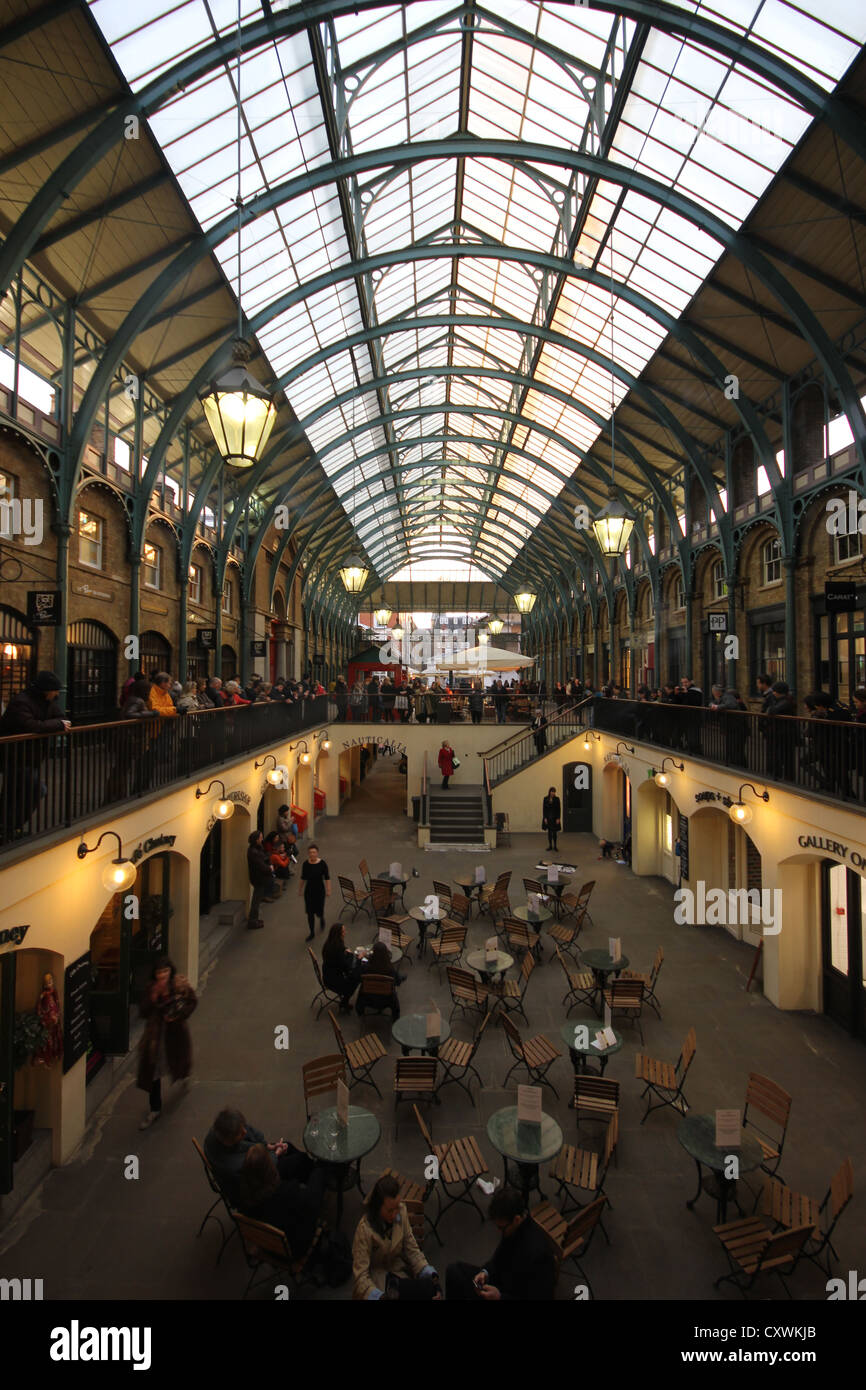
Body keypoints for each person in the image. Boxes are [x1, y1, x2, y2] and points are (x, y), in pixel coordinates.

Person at [445, 1185, 557, 1300]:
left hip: (509, 1294)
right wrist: (485, 1272)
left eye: (501, 1228)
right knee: (454, 1272)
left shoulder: (539, 1254)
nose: (500, 1232)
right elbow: (499, 1258)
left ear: (516, 1219)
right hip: (500, 1285)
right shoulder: (513, 1229)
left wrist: (500, 1297)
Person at [0, 671, 71, 839]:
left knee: (15, 792)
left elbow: (60, 718)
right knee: (36, 790)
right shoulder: (21, 703)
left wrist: (56, 723)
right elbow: (30, 725)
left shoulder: (46, 702)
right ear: (46, 690)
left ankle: (7, 829)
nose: (56, 695)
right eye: (55, 691)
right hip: (15, 755)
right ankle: (9, 827)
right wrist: (57, 724)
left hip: (30, 757)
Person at [352, 1174, 440, 1300]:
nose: (395, 1214)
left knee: (429, 1289)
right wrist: (379, 1297)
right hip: (375, 1282)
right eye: (389, 1210)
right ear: (377, 1207)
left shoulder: (401, 1211)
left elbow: (412, 1250)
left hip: (397, 1274)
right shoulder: (364, 1230)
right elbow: (360, 1277)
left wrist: (430, 1275)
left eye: (397, 1207)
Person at [204, 1107, 313, 1204]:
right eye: (240, 1133)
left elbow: (250, 1132)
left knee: (288, 1146)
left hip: (254, 1164)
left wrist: (266, 1146)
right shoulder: (234, 1165)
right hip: (255, 1185)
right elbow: (262, 1168)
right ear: (229, 1140)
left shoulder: (218, 1131)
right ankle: (312, 1184)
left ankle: (308, 1173)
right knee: (297, 1162)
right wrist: (275, 1154)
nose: (244, 1132)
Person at [136, 957, 197, 1129]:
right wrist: (153, 998)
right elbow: (143, 1011)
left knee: (178, 1060)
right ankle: (155, 1108)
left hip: (175, 1034)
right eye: (159, 972)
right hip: (156, 1037)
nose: (162, 975)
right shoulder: (151, 989)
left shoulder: (178, 985)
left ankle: (184, 1074)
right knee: (153, 1071)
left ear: (170, 971)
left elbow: (192, 1002)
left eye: (165, 971)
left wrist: (178, 1016)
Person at [238, 1144, 326, 1257]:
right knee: (319, 1173)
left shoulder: (244, 1196)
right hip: (294, 1249)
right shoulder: (288, 1193)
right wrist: (319, 1170)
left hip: (265, 1245)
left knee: (298, 1159)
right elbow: (312, 1205)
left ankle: (310, 1164)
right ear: (271, 1170)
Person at [355, 941, 402, 1019]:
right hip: (386, 999)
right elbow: (397, 982)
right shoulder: (390, 970)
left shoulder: (366, 968)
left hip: (368, 998)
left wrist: (359, 960)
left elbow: (357, 975)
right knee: (398, 977)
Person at [322, 921, 363, 1010]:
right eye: (344, 931)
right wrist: (359, 959)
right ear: (339, 934)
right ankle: (345, 1002)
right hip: (334, 981)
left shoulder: (329, 944)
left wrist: (345, 950)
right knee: (356, 977)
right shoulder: (338, 949)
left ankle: (345, 1001)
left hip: (327, 975)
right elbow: (347, 969)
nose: (345, 933)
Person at [246, 829, 278, 931]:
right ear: (256, 840)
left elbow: (265, 856)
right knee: (256, 900)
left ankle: (255, 919)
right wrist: (269, 868)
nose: (262, 839)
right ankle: (253, 921)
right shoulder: (253, 852)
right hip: (258, 878)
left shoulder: (256, 848)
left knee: (257, 898)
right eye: (260, 837)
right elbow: (260, 865)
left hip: (260, 877)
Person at [299, 842, 331, 940]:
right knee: (310, 913)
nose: (312, 854)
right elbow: (303, 878)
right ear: (308, 854)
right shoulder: (305, 864)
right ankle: (312, 932)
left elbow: (327, 878)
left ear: (317, 853)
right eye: (310, 852)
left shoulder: (322, 864)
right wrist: (300, 889)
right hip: (309, 892)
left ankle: (321, 918)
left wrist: (328, 889)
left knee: (319, 911)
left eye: (314, 852)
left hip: (320, 891)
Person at [541, 786, 561, 852]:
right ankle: (550, 846)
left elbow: (559, 809)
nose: (553, 793)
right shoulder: (545, 798)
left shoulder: (557, 799)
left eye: (554, 792)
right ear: (549, 792)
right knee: (549, 833)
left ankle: (555, 846)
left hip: (555, 818)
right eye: (552, 791)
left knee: (554, 833)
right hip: (548, 818)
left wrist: (558, 818)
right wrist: (545, 818)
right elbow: (544, 809)